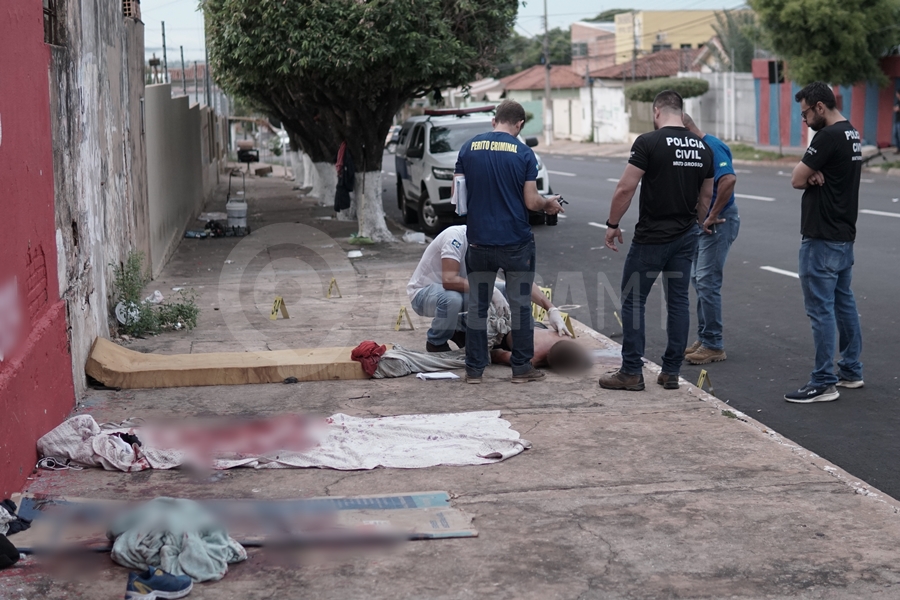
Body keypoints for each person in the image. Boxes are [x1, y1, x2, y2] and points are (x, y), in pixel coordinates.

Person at [599, 90, 714, 392]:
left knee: (633, 300)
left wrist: (612, 224)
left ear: (656, 111)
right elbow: (705, 196)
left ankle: (631, 371)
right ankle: (671, 371)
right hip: (685, 235)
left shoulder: (648, 142)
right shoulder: (703, 148)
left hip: (652, 237)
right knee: (677, 302)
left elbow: (626, 187)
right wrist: (699, 222)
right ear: (680, 111)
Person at [454, 100, 563, 384]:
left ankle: (474, 371)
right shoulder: (524, 153)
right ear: (519, 125)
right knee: (520, 306)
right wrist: (548, 204)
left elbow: (459, 199)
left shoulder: (468, 148)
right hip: (516, 242)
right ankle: (521, 369)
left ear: (494, 121)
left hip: (478, 242)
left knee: (478, 306)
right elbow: (531, 201)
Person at [785, 82, 863, 403]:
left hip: (822, 237)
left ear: (820, 107)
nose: (803, 119)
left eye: (805, 112)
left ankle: (823, 381)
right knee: (843, 303)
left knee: (820, 309)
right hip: (843, 235)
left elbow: (796, 179)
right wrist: (812, 173)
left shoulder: (827, 136)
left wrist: (810, 174)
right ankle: (851, 370)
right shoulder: (852, 133)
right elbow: (812, 174)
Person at [407, 224, 572, 352]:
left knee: (510, 290)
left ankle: (460, 328)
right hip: (424, 294)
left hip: (460, 290)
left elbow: (521, 281)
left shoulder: (494, 244)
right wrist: (490, 290)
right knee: (452, 299)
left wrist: (551, 309)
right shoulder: (455, 237)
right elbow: (449, 281)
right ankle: (436, 342)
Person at [681, 113, 739, 365]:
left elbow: (728, 179)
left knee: (706, 280)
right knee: (698, 279)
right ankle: (705, 337)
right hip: (701, 223)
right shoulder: (694, 148)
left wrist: (712, 214)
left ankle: (714, 344)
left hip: (719, 221)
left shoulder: (711, 146)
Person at [893, 89, 900, 154]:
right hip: (896, 120)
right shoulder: (897, 101)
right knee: (895, 134)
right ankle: (898, 148)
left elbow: (897, 109)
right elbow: (895, 108)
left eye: (897, 93)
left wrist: (897, 109)